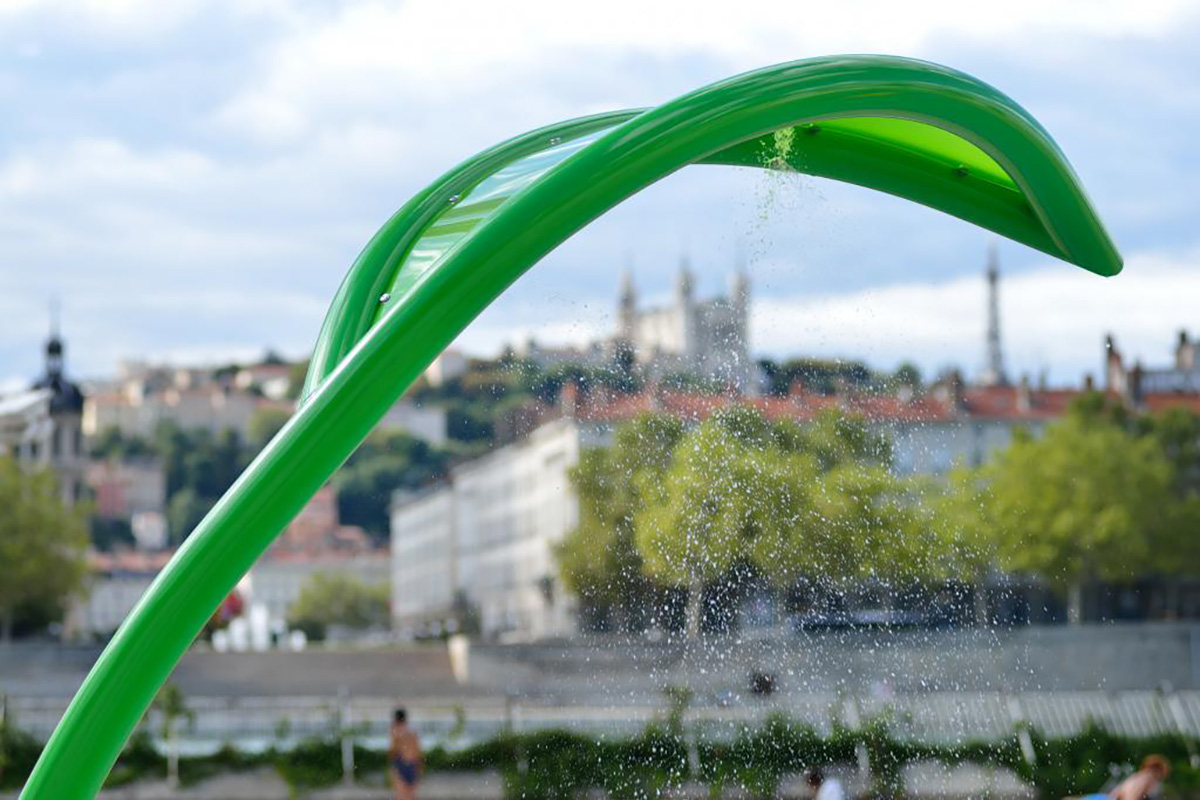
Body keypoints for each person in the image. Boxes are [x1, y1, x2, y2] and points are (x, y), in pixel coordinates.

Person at [388, 707, 423, 800]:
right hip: (413, 764)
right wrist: (420, 768)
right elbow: (418, 753)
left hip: (401, 764)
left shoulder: (395, 731)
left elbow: (393, 751)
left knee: (401, 796)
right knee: (411, 796)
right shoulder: (412, 732)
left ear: (395, 719)